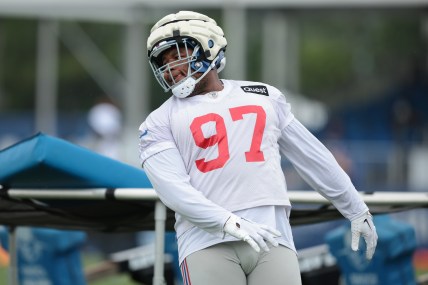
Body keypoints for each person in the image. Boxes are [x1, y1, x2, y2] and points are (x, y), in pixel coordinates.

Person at [138, 11, 378, 285]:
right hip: (207, 241)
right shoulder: (157, 122)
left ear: (208, 47)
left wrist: (355, 207)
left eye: (177, 55)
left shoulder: (265, 96)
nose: (171, 68)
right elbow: (173, 190)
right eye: (164, 62)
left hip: (271, 236)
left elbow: (311, 156)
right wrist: (227, 221)